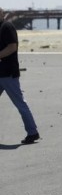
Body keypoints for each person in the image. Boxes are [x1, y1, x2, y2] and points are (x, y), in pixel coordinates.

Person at [0, 7, 40, 144]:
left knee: (20, 103)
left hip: (8, 73)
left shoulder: (7, 27)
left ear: (2, 14)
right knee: (20, 103)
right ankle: (32, 132)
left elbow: (12, 47)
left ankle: (33, 132)